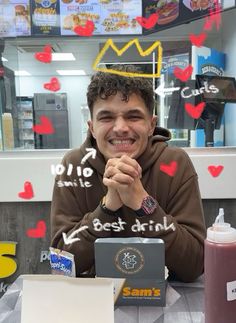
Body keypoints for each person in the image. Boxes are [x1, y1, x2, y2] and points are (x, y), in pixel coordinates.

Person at [51, 65, 206, 283]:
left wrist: (143, 203)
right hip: (94, 302)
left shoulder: (175, 163)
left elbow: (195, 264)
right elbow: (62, 265)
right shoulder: (74, 165)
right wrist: (106, 210)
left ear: (151, 125)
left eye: (133, 116)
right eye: (106, 117)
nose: (121, 128)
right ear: (92, 127)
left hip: (167, 298)